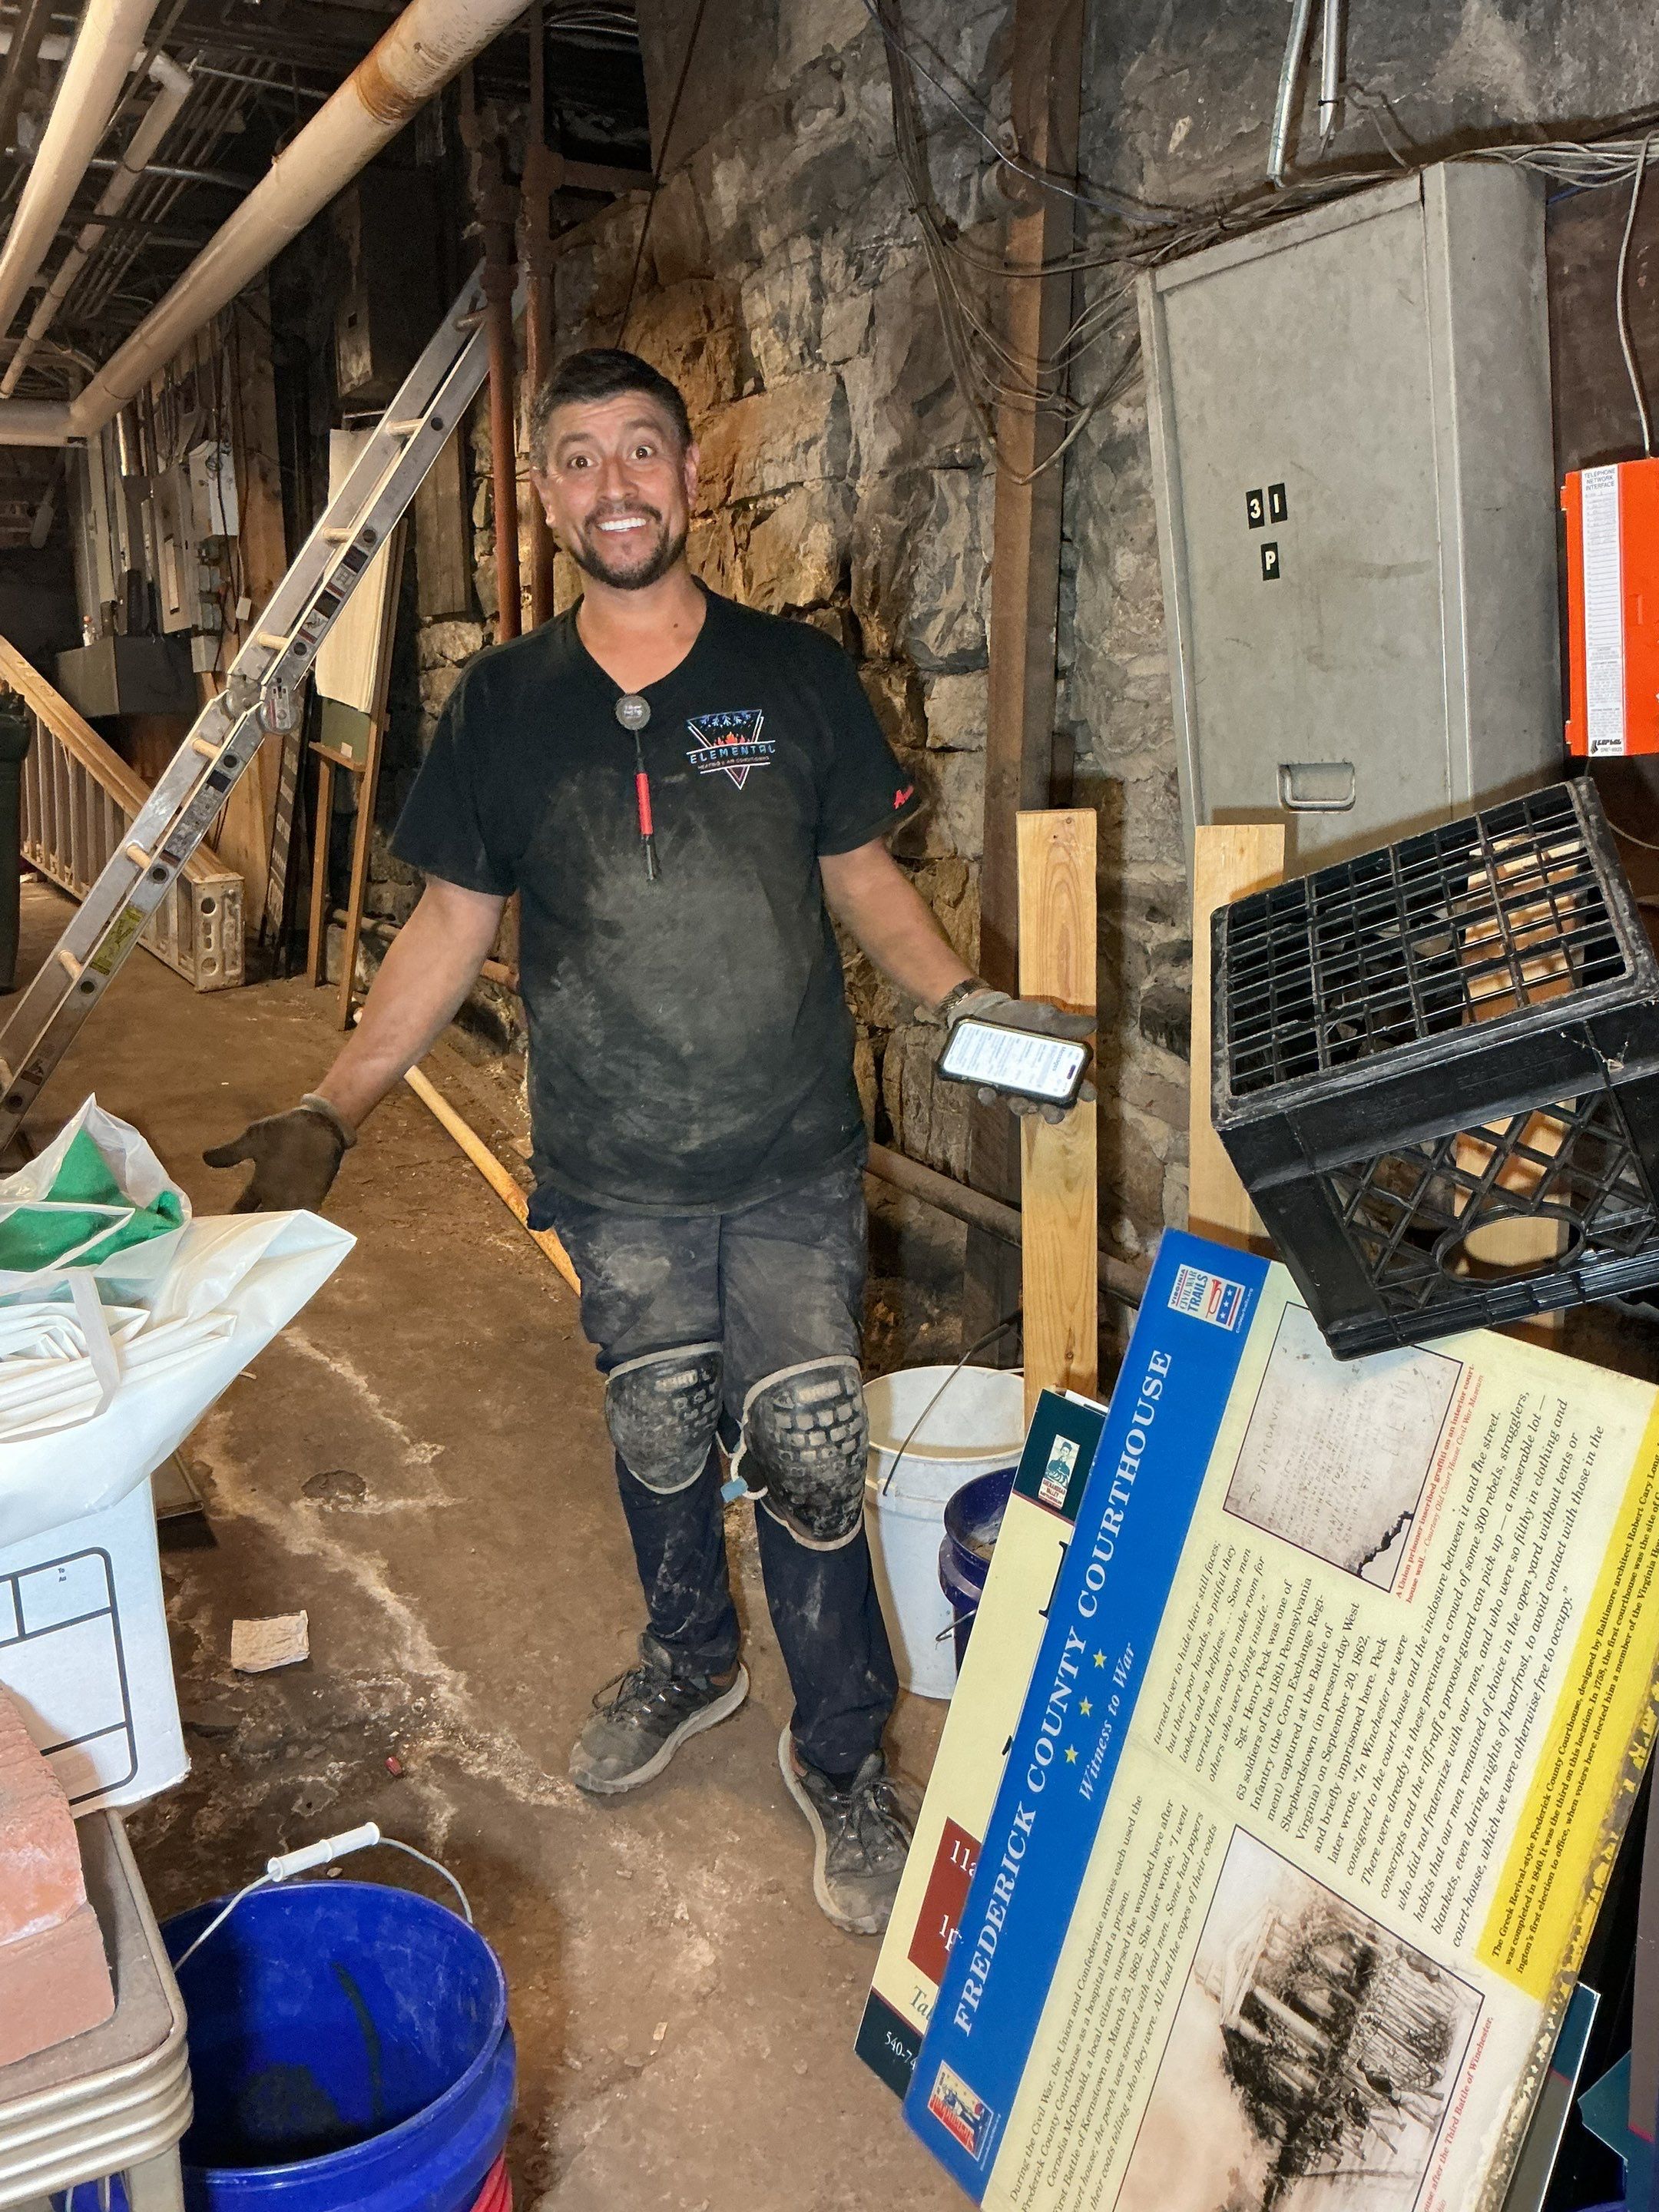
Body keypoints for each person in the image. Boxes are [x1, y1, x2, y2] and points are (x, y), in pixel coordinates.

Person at [206, 347, 1092, 1936]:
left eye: (639, 451)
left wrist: (968, 1005)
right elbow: (451, 926)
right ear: (547, 496)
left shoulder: (794, 676)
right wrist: (338, 1103)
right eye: (577, 458)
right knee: (662, 1428)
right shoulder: (503, 707)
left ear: (689, 475)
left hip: (788, 1150)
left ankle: (841, 1758)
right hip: (615, 1165)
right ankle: (689, 1661)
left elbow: (866, 879)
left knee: (811, 1452)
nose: (612, 484)